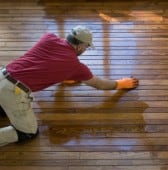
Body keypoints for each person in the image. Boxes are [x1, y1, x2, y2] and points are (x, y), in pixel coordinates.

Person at [0, 25, 138, 147]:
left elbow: (47, 62)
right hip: (12, 91)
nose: (86, 49)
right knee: (28, 132)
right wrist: (121, 83)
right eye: (87, 46)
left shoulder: (48, 37)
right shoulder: (75, 66)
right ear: (79, 46)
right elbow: (98, 84)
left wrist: (66, 75)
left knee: (3, 109)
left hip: (3, 74)